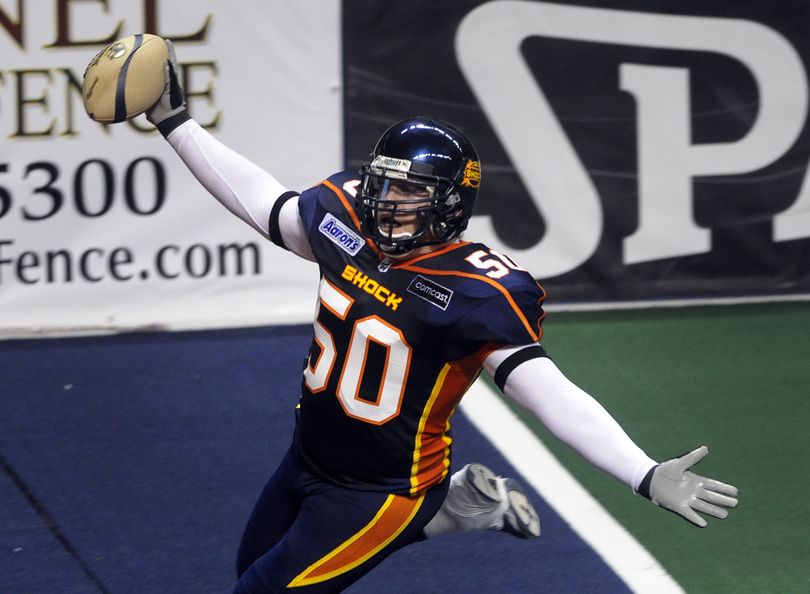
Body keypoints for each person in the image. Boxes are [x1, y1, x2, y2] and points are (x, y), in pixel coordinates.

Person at [139, 43, 738, 593]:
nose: (385, 204)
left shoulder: (477, 290)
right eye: (382, 186)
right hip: (307, 456)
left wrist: (642, 471)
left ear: (451, 202)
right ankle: (457, 510)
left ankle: (433, 510)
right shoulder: (346, 219)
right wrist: (176, 123)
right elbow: (263, 203)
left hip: (382, 492)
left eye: (409, 193)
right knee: (249, 571)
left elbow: (550, 394)